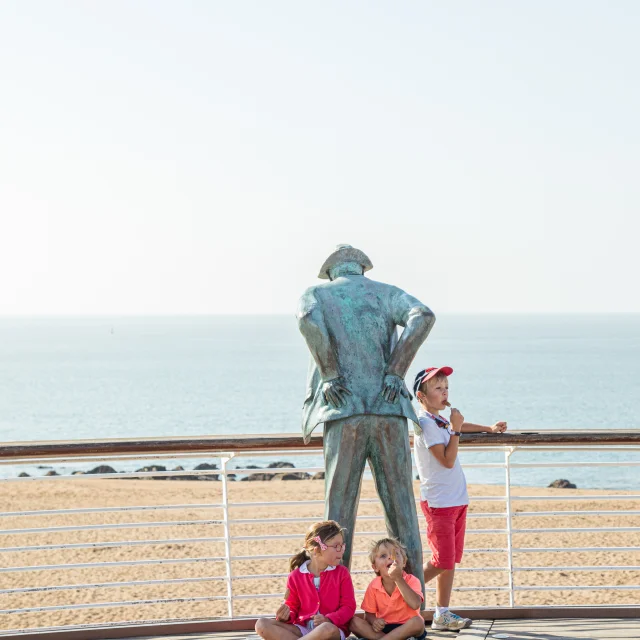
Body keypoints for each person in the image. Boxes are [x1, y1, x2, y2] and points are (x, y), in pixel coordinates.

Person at [297, 244, 435, 591]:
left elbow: (306, 319)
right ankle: (413, 609)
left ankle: (333, 607)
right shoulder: (387, 294)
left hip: (343, 412)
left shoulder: (316, 293)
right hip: (388, 410)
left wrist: (329, 372)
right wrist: (395, 370)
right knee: (402, 512)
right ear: (362, 268)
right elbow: (424, 315)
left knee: (337, 518)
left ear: (331, 270)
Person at [413, 366, 507, 632]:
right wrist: (455, 431)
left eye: (446, 388)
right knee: (441, 560)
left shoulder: (440, 420)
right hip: (439, 503)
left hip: (456, 501)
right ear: (421, 396)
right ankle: (400, 590)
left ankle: (442, 612)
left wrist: (488, 428)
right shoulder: (425, 423)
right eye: (437, 389)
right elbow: (446, 459)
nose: (444, 393)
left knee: (449, 559)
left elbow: (459, 426)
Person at [255, 520, 356, 640]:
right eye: (336, 546)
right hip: (302, 629)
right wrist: (285, 616)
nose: (342, 550)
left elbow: (349, 607)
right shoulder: (295, 576)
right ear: (316, 550)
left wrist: (329, 619)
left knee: (326, 628)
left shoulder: (342, 573)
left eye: (342, 545)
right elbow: (292, 606)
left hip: (331, 630)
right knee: (261, 624)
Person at [350, 538, 426, 640]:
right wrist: (374, 621)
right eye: (383, 556)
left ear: (404, 562)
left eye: (396, 554)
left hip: (407, 628)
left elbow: (415, 604)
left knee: (418, 622)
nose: (390, 557)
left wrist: (398, 579)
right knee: (353, 622)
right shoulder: (373, 586)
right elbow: (368, 615)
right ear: (375, 567)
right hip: (384, 629)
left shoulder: (412, 580)